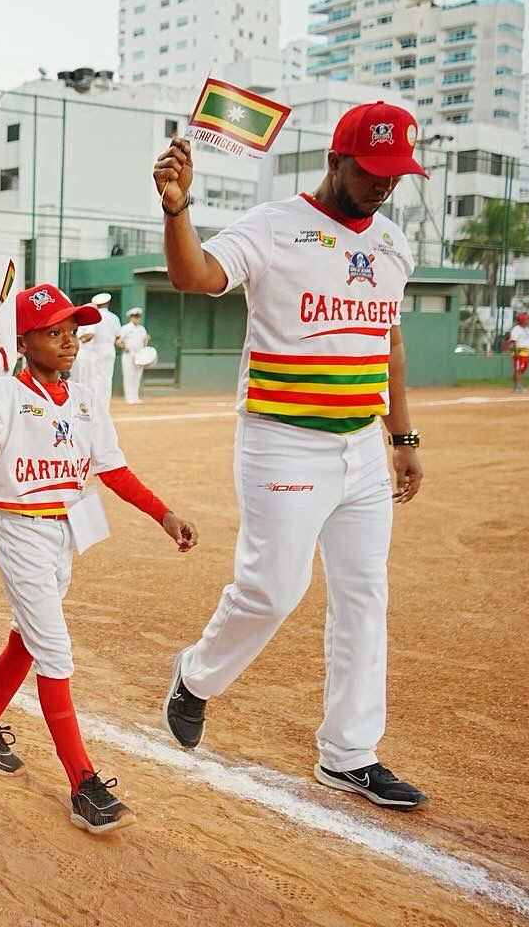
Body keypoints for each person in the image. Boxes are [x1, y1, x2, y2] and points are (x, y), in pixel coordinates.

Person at [154, 100, 428, 809]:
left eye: (395, 172)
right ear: (336, 161)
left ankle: (349, 753)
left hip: (362, 448)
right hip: (283, 442)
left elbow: (389, 343)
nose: (383, 185)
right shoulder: (275, 227)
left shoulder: (395, 243)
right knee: (274, 589)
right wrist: (178, 210)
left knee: (365, 596)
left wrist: (402, 438)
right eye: (371, 171)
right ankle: (197, 676)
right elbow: (196, 276)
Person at [0, 284, 198, 834]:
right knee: (55, 652)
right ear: (23, 340)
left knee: (29, 632)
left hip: (64, 533)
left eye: (73, 331)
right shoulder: (7, 394)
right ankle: (83, 783)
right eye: (54, 332)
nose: (68, 342)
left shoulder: (86, 397)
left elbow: (111, 469)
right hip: (20, 533)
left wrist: (164, 515)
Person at [74, 293, 120, 408]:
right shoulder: (114, 317)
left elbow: (90, 335)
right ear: (108, 303)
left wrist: (78, 340)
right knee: (107, 378)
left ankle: (98, 405)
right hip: (110, 348)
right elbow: (118, 337)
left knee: (96, 378)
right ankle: (105, 405)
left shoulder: (95, 315)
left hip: (96, 348)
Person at [115, 308, 150, 404]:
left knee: (137, 376)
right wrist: (123, 347)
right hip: (128, 354)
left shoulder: (142, 329)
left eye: (138, 317)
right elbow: (118, 341)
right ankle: (129, 397)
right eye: (135, 317)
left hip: (139, 355)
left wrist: (147, 339)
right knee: (128, 375)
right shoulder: (125, 328)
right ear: (130, 317)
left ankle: (135, 396)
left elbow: (145, 341)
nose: (136, 319)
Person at [509, 311, 529, 393]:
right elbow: (514, 342)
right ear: (523, 320)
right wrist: (516, 353)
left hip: (526, 353)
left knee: (523, 369)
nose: (528, 321)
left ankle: (517, 384)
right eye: (527, 320)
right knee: (518, 369)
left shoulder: (526, 329)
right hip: (519, 352)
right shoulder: (516, 329)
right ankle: (518, 386)